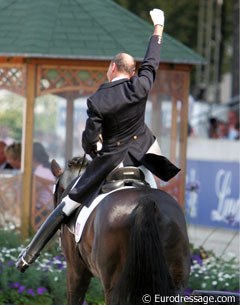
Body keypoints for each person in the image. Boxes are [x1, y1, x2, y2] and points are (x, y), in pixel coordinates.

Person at [16, 9, 180, 272]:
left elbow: (90, 142)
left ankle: (27, 256)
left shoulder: (98, 100)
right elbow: (152, 62)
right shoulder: (141, 85)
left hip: (111, 160)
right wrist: (158, 27)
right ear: (133, 70)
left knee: (67, 204)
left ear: (112, 68)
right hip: (142, 155)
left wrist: (97, 146)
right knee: (156, 196)